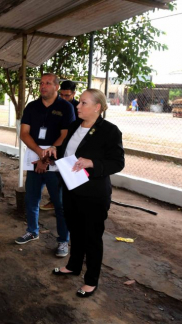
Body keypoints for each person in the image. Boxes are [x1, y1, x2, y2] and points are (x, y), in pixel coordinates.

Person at [44, 89, 124, 298]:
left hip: (94, 194)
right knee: (75, 231)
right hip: (72, 188)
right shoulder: (74, 127)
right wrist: (54, 152)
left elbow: (118, 162)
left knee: (92, 237)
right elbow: (66, 153)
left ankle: (91, 280)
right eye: (78, 103)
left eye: (83, 103)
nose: (77, 106)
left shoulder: (109, 131)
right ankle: (73, 265)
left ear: (97, 107)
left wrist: (93, 163)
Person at [15, 73, 75, 258]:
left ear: (56, 87)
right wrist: (40, 154)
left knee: (60, 204)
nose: (43, 86)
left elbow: (65, 135)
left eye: (48, 83)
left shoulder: (66, 107)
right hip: (35, 157)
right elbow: (24, 133)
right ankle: (32, 231)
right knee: (31, 199)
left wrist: (47, 157)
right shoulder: (32, 106)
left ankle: (63, 241)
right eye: (41, 83)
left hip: (55, 161)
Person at [41, 80, 79, 211]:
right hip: (57, 146)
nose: (63, 98)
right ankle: (55, 202)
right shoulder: (55, 105)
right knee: (56, 176)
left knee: (70, 177)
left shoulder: (79, 107)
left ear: (74, 93)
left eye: (67, 95)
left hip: (72, 148)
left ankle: (68, 205)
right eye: (61, 95)